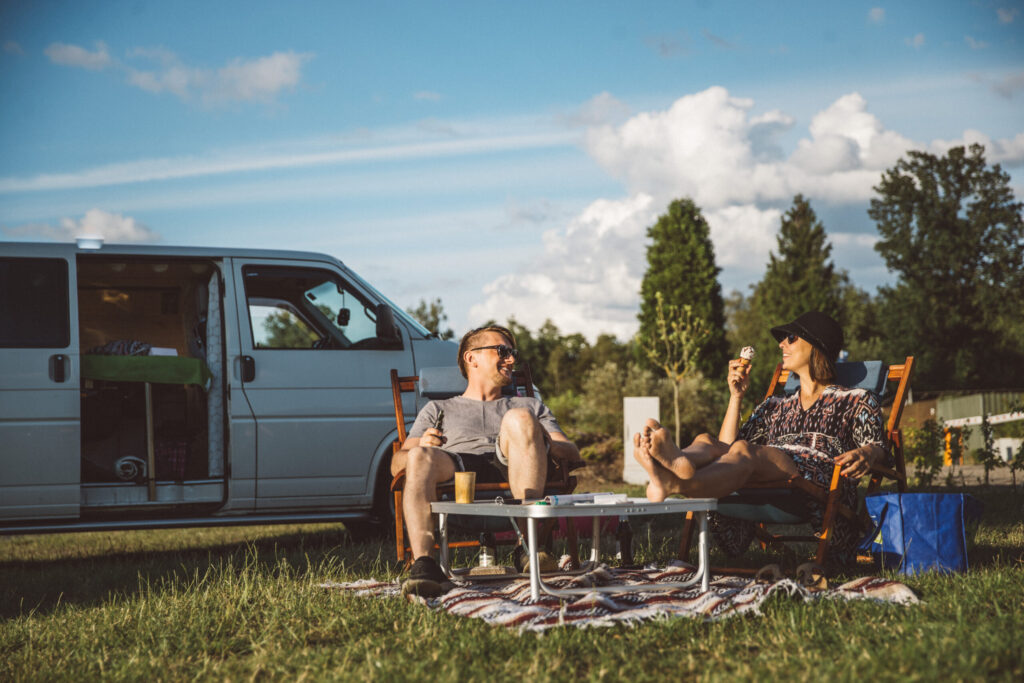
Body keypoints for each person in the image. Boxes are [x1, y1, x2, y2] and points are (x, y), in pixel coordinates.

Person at [633, 311, 887, 566]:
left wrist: (868, 453)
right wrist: (736, 397)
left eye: (791, 338)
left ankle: (676, 482)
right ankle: (678, 464)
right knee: (708, 441)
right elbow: (727, 449)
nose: (781, 344)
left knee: (746, 450)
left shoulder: (857, 398)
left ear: (817, 345)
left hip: (814, 474)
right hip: (762, 468)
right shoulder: (774, 404)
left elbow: (877, 446)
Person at [393, 324, 581, 595]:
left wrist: (539, 437)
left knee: (520, 418)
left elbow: (571, 452)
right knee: (419, 456)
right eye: (503, 351)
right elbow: (397, 464)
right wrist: (421, 446)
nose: (512, 360)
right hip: (458, 474)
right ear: (472, 358)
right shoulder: (437, 408)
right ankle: (425, 565)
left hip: (516, 466)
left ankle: (526, 549)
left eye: (513, 353)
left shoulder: (528, 405)